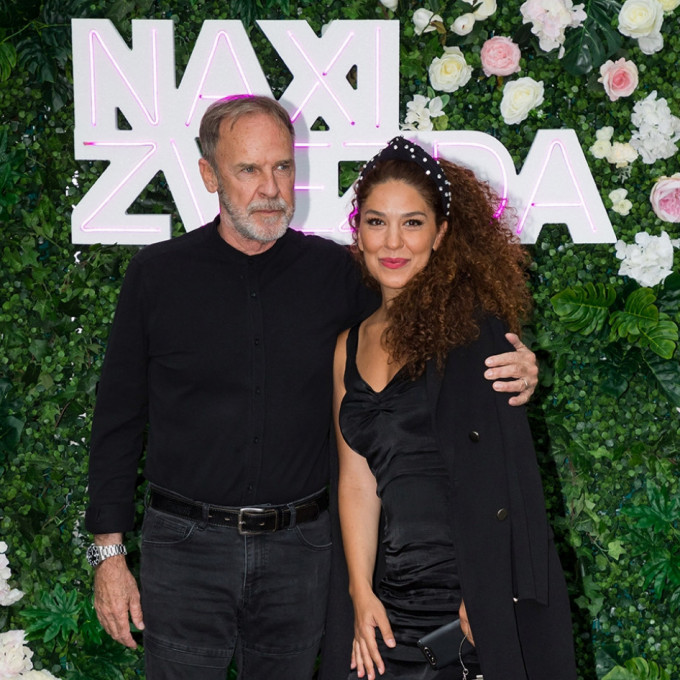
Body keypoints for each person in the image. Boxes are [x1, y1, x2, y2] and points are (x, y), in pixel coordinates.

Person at [84, 97, 540, 680]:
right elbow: (118, 420)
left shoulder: (340, 273)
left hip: (300, 554)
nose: (270, 188)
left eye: (282, 166)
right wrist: (109, 554)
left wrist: (516, 361)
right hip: (185, 551)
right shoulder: (158, 275)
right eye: (248, 170)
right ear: (209, 175)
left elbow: (431, 317)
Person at [333, 137, 577, 680]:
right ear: (358, 231)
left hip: (468, 599)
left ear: (441, 234)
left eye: (413, 223)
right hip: (391, 602)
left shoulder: (475, 331)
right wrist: (360, 593)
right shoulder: (348, 345)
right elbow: (357, 480)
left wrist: (486, 591)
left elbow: (504, 475)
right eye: (376, 222)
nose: (393, 242)